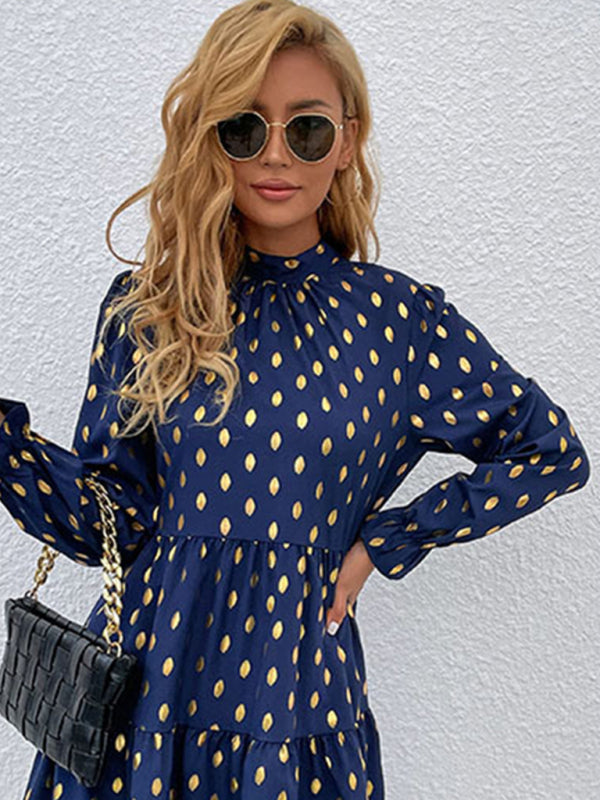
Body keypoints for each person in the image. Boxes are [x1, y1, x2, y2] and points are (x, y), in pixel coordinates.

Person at [0, 0, 590, 797]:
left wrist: (388, 541)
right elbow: (112, 524)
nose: (275, 154)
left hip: (297, 700)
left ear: (347, 140)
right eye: (244, 128)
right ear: (211, 139)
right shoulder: (150, 309)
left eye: (306, 129)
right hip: (146, 702)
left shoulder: (397, 322)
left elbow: (550, 452)